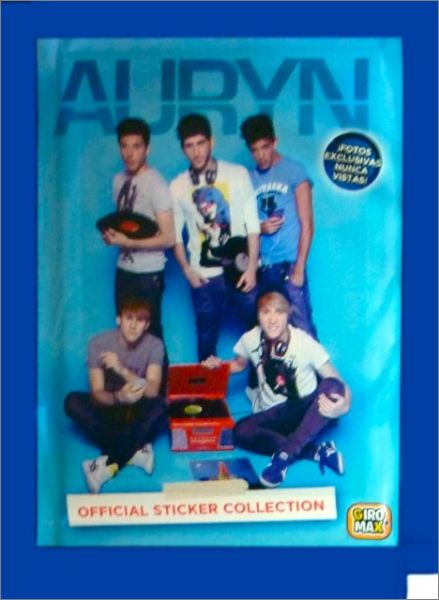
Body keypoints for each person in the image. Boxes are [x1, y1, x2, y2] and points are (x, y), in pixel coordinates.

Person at [203, 292, 351, 488]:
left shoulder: (304, 343)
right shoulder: (250, 339)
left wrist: (342, 408)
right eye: (266, 312)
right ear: (258, 316)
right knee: (240, 431)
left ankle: (282, 458)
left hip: (306, 413)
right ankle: (316, 451)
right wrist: (217, 365)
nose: (272, 319)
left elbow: (340, 384)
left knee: (332, 386)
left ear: (289, 314)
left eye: (279, 312)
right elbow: (239, 364)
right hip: (273, 416)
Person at [170, 113, 260, 360]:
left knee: (259, 338)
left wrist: (252, 267)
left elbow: (253, 224)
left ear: (212, 141)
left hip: (241, 270)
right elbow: (175, 235)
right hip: (204, 279)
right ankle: (206, 389)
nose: (196, 151)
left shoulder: (237, 174)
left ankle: (262, 383)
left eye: (201, 143)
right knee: (206, 342)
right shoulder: (177, 185)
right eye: (189, 146)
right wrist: (187, 270)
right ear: (183, 149)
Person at [64, 297, 165, 494]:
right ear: (118, 319)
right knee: (71, 401)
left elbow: (152, 390)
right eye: (129, 318)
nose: (133, 325)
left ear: (147, 325)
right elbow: (96, 394)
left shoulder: (155, 345)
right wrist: (119, 397)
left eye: (140, 320)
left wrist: (121, 369)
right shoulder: (98, 343)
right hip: (110, 409)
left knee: (161, 404)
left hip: (136, 410)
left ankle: (104, 467)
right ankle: (136, 452)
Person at [240, 114, 318, 339]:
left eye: (265, 147)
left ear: (275, 142)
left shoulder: (294, 171)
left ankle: (318, 368)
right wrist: (260, 228)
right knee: (267, 335)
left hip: (290, 265)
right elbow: (243, 227)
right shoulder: (248, 179)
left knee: (303, 331)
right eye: (254, 150)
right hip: (264, 268)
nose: (261, 155)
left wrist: (299, 269)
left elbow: (307, 224)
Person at [101, 117, 175, 338]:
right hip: (124, 269)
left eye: (136, 146)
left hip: (148, 273)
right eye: (124, 146)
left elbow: (169, 237)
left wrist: (129, 242)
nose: (129, 153)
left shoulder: (156, 184)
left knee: (150, 335)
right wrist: (112, 236)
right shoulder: (118, 180)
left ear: (147, 149)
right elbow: (124, 224)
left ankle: (160, 366)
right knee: (124, 335)